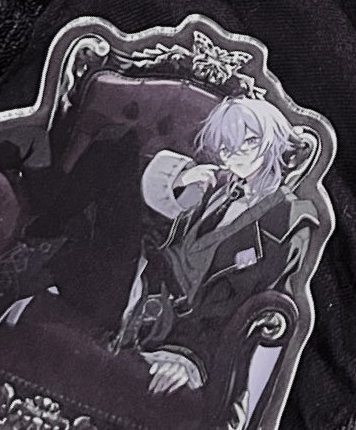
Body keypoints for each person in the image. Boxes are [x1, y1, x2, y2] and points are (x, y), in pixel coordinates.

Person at [120, 97, 299, 396]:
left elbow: (240, 300)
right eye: (226, 146)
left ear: (273, 141)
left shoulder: (285, 216)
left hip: (187, 332)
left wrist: (187, 355)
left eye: (249, 142)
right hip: (147, 300)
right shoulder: (218, 186)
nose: (234, 154)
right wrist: (182, 179)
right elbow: (155, 223)